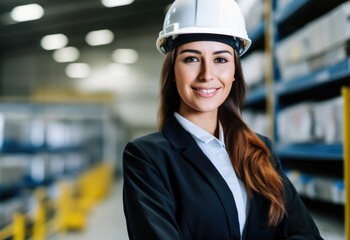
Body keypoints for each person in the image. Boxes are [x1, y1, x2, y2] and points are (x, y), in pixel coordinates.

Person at [122, 0, 323, 239]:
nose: (207, 75)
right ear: (172, 71)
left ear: (235, 72)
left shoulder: (259, 150)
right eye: (191, 59)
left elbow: (305, 234)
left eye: (221, 60)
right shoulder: (146, 158)